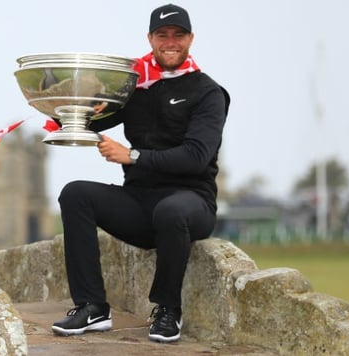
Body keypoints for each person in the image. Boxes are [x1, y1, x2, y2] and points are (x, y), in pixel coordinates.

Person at [50, 3, 230, 343]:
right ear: (150, 39)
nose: (170, 42)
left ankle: (167, 310)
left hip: (191, 205)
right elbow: (79, 123)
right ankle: (92, 307)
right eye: (162, 35)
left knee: (171, 209)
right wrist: (79, 102)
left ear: (191, 39)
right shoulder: (135, 87)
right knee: (75, 193)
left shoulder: (208, 92)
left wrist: (132, 156)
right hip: (139, 205)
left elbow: (195, 157)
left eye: (178, 35)